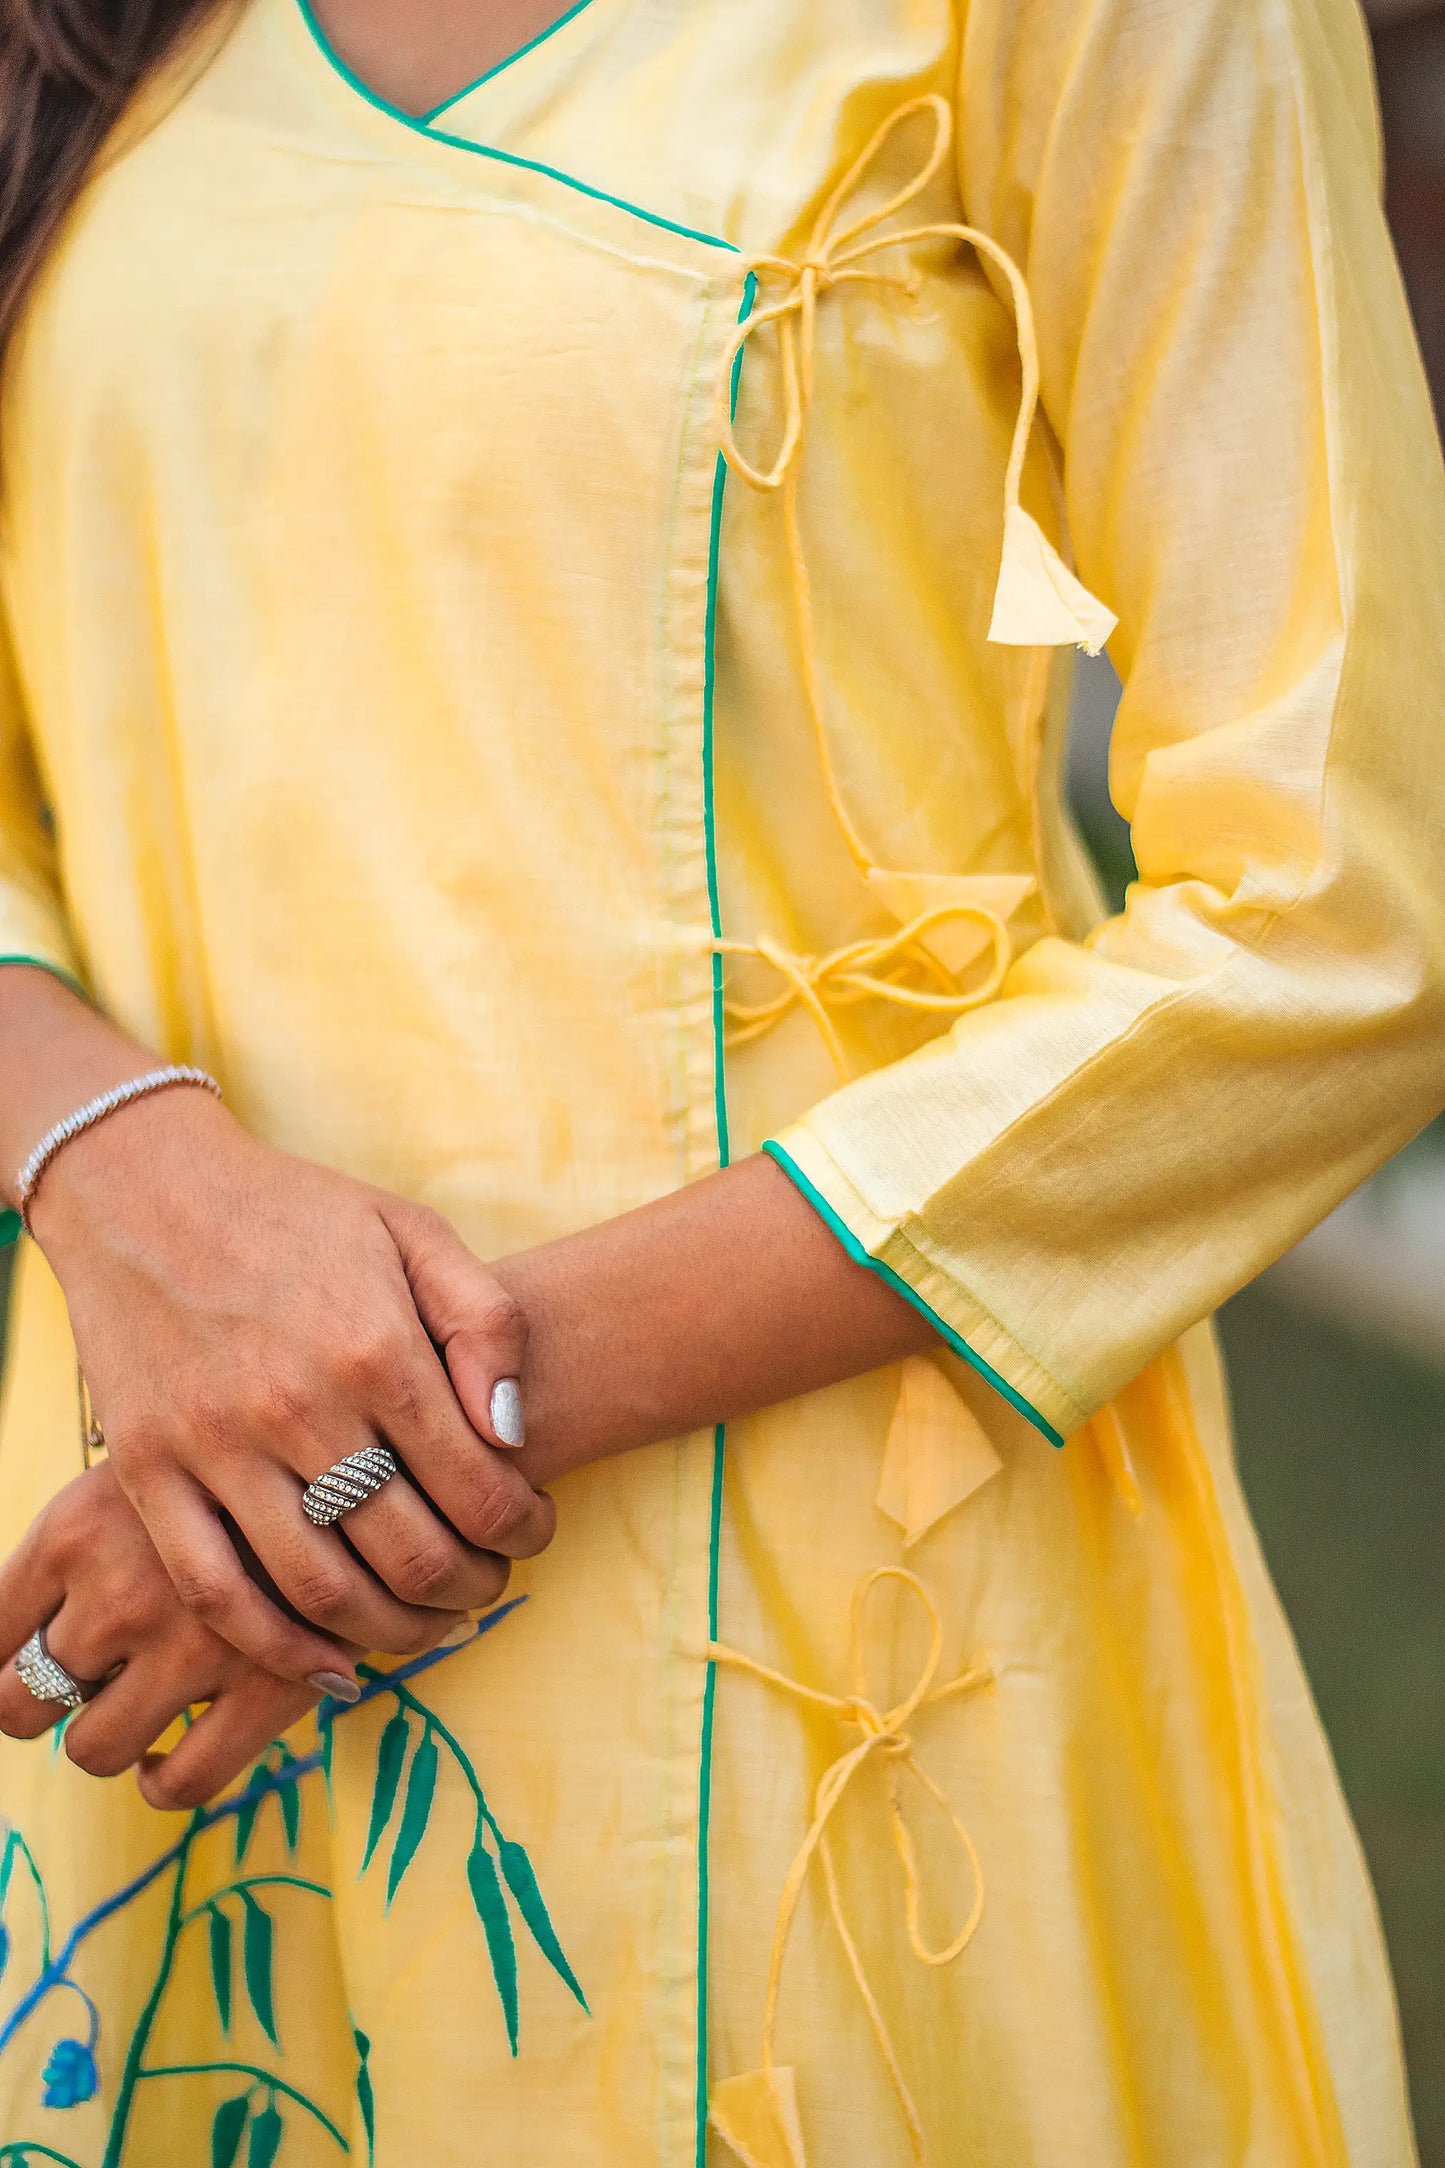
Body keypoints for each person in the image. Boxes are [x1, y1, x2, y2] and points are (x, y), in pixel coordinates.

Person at [0, 0, 1437, 2159]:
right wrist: (116, 1170)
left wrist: (384, 1436)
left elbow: (1344, 912)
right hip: (153, 1560)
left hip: (818, 1665)